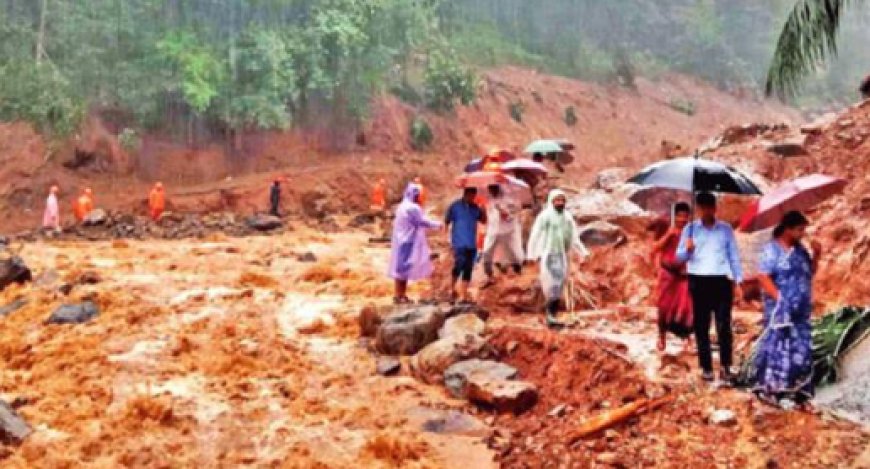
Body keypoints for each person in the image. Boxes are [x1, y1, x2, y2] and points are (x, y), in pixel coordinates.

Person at [752, 211, 820, 408]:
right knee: (778, 348)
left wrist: (817, 255)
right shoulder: (772, 250)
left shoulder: (800, 251)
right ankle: (772, 390)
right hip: (780, 311)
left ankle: (800, 392)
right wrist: (780, 299)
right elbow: (763, 276)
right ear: (787, 229)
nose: (802, 233)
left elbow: (809, 273)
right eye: (799, 229)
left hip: (800, 310)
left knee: (802, 349)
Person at [676, 192, 743, 382]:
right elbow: (679, 257)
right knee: (701, 325)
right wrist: (687, 250)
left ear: (715, 208)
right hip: (698, 280)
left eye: (709, 207)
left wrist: (738, 280)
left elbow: (733, 255)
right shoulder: (689, 230)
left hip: (721, 280)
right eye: (702, 207)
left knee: (724, 325)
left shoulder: (726, 230)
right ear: (698, 209)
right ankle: (706, 367)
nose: (706, 211)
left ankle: (725, 366)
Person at [527, 189, 589, 328]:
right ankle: (550, 315)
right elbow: (536, 234)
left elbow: (574, 237)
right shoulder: (545, 216)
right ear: (552, 201)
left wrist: (583, 252)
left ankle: (553, 315)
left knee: (560, 284)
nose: (560, 203)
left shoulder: (567, 217)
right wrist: (532, 253)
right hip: (549, 254)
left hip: (562, 255)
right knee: (552, 284)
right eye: (557, 200)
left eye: (562, 200)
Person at [387, 183, 441, 304]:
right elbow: (422, 221)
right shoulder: (412, 208)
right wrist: (439, 225)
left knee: (400, 269)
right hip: (407, 241)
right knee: (403, 270)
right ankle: (400, 295)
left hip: (399, 240)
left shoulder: (402, 206)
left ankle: (399, 295)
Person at [652, 202, 694, 351]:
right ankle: (661, 337)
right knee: (663, 307)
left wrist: (692, 247)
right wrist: (668, 235)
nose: (682, 219)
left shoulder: (692, 232)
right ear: (674, 216)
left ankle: (687, 338)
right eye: (679, 216)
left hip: (684, 276)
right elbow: (654, 248)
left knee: (686, 308)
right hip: (668, 274)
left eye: (685, 216)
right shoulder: (666, 228)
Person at [445, 187, 486, 304]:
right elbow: (447, 221)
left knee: (468, 268)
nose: (472, 198)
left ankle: (463, 294)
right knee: (459, 264)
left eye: (474, 196)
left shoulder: (475, 208)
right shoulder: (455, 206)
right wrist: (447, 239)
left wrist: (483, 210)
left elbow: (483, 220)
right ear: (465, 194)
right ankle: (452, 288)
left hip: (471, 243)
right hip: (458, 241)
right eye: (471, 195)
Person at [481, 184, 524, 285]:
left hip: (507, 231)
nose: (491, 190)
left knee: (516, 254)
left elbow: (512, 216)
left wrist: (503, 212)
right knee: (486, 251)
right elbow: (486, 217)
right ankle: (489, 275)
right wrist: (483, 211)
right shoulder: (488, 200)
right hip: (492, 231)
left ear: (498, 188)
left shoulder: (509, 200)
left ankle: (518, 270)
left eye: (493, 188)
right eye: (490, 188)